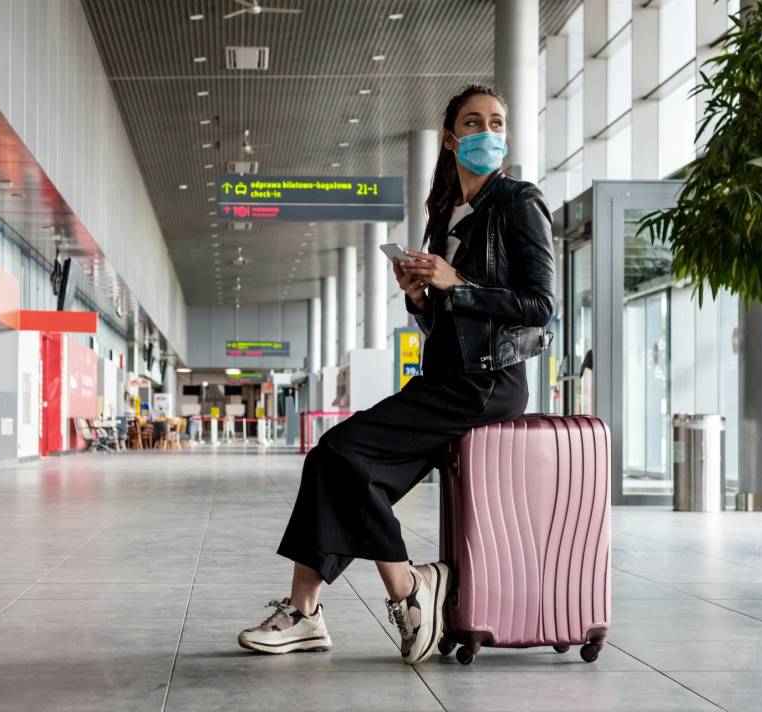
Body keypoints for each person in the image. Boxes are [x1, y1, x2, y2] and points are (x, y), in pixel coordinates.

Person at [237, 84, 557, 664]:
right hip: (446, 378)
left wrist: (456, 283)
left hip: (487, 383)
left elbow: (540, 306)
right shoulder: (445, 213)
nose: (488, 132)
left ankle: (410, 590)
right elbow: (443, 325)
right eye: (474, 122)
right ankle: (305, 613)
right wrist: (418, 298)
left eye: (497, 123)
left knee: (338, 453)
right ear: (451, 137)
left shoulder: (518, 201)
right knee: (337, 465)